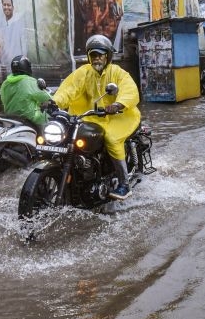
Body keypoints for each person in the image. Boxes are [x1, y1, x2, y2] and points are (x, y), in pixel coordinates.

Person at [52, 34, 141, 200]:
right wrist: (53, 102)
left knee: (112, 139)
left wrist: (118, 104)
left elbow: (129, 90)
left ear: (107, 56)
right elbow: (69, 90)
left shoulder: (118, 72)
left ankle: (124, 185)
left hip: (121, 115)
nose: (96, 58)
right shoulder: (84, 72)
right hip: (93, 116)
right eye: (93, 55)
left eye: (100, 55)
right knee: (68, 135)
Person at [0, 55, 51, 126]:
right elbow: (45, 97)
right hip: (31, 119)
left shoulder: (5, 83)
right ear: (27, 67)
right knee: (50, 120)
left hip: (11, 119)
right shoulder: (29, 81)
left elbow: (3, 100)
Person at [0, 0, 27, 78]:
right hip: (6, 66)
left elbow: (24, 44)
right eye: (4, 5)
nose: (6, 7)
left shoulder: (19, 22)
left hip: (18, 66)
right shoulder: (0, 23)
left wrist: (23, 62)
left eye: (9, 5)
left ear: (13, 7)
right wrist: (2, 64)